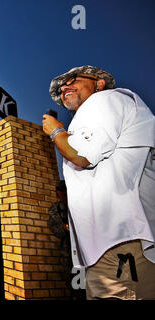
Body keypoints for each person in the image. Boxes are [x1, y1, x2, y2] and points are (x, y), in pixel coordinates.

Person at [43, 65, 155, 300]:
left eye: (72, 79)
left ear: (99, 83)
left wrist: (56, 132)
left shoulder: (104, 101)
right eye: (61, 88)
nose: (65, 87)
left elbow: (80, 154)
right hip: (118, 245)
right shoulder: (99, 116)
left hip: (121, 242)